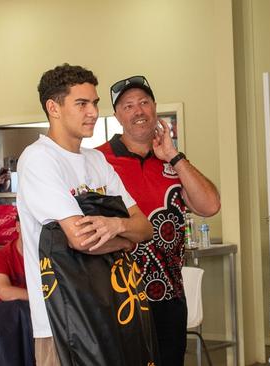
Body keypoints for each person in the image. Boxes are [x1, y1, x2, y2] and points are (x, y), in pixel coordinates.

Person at [17, 63, 153, 366]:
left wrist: (115, 224)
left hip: (110, 308)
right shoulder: (39, 159)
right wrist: (125, 241)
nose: (92, 112)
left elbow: (144, 228)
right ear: (53, 107)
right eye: (81, 104)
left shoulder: (96, 161)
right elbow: (81, 239)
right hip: (62, 317)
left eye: (94, 103)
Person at [96, 75, 221, 366]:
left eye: (144, 102)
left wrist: (174, 156)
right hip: (117, 298)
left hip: (169, 296)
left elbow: (210, 205)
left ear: (154, 108)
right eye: (128, 105)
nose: (138, 111)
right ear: (117, 116)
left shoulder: (173, 162)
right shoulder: (98, 160)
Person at [0, 214, 27, 302]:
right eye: (28, 225)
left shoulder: (48, 255)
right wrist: (42, 298)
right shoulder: (1, 256)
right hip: (8, 312)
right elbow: (5, 292)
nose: (32, 230)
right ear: (18, 226)